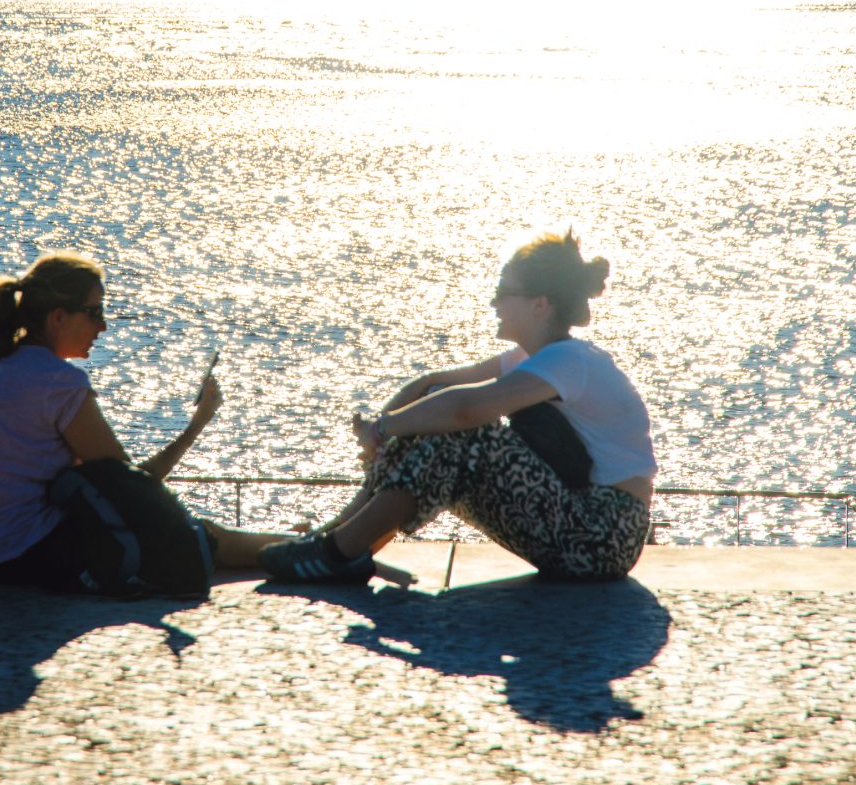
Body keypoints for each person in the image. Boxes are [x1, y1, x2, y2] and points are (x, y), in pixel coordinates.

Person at [259, 230, 656, 584]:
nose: (493, 301)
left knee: (465, 434)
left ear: (540, 305)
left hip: (604, 534)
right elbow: (436, 385)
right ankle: (337, 539)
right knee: (438, 423)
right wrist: (383, 430)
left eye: (504, 291)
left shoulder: (571, 361)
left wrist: (385, 429)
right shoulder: (529, 359)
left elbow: (466, 410)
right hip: (575, 522)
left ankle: (335, 553)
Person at [0, 252, 286, 592]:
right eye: (94, 312)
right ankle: (297, 548)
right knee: (195, 537)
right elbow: (133, 490)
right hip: (18, 554)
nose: (102, 326)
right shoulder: (58, 382)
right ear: (58, 317)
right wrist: (198, 423)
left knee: (185, 530)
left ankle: (296, 541)